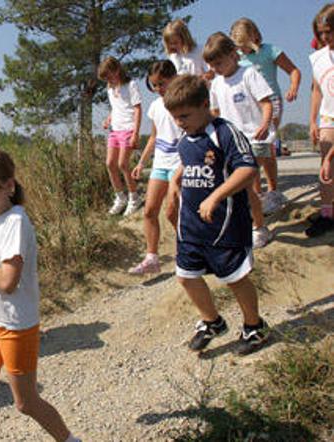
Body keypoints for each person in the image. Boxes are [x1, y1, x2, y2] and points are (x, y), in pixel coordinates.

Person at [0, 150, 80, 442]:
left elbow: (7, 282)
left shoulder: (15, 221)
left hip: (15, 326)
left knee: (26, 403)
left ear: (8, 186)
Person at [164, 74, 269, 356]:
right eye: (175, 117)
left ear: (204, 105)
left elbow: (247, 170)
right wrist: (175, 184)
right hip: (191, 227)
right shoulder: (186, 139)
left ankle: (254, 326)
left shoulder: (224, 132)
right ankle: (212, 321)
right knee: (186, 276)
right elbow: (188, 165)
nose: (179, 123)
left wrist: (216, 195)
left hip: (225, 225)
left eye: (184, 115)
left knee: (235, 278)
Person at [203, 32, 273, 248]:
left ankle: (259, 228)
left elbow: (267, 102)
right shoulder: (216, 84)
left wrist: (265, 124)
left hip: (254, 137)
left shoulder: (249, 74)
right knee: (238, 187)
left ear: (233, 55)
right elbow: (215, 113)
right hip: (230, 142)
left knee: (246, 185)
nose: (215, 69)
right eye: (212, 65)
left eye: (219, 63)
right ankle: (248, 224)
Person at [230, 17, 302, 212]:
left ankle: (268, 192)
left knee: (261, 146)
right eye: (239, 47)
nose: (243, 50)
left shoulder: (270, 51)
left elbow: (294, 70)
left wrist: (293, 87)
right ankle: (263, 193)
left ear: (254, 36)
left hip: (271, 102)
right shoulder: (237, 57)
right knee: (264, 149)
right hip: (249, 105)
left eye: (245, 46)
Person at [129, 60, 183, 275]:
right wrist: (142, 162)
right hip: (160, 162)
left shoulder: (182, 102)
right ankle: (152, 257)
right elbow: (154, 136)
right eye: (154, 85)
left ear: (174, 78)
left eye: (162, 83)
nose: (159, 89)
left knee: (172, 212)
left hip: (179, 162)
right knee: (150, 210)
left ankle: (187, 250)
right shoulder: (155, 106)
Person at [98, 56, 143, 216]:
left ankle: (134, 197)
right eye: (105, 78)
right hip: (115, 130)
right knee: (110, 163)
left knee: (123, 164)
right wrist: (109, 118)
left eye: (109, 76)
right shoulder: (110, 89)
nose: (108, 80)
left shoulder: (130, 85)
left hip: (129, 129)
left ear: (117, 70)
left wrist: (136, 133)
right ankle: (120, 197)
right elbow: (116, 108)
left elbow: (137, 109)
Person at [307, 3, 334, 238]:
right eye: (321, 33)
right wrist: (313, 121)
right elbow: (316, 89)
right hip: (329, 115)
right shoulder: (318, 57)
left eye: (329, 31)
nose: (325, 37)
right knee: (326, 164)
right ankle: (327, 214)